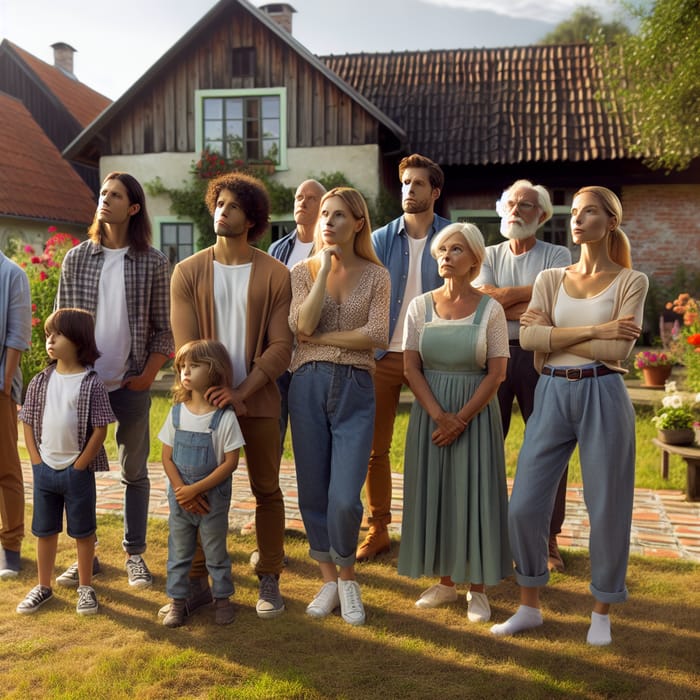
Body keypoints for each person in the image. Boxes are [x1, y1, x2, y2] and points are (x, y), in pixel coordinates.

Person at [490, 186, 648, 645]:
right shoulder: (551, 279)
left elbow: (618, 349)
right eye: (574, 212)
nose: (577, 219)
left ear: (610, 221)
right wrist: (595, 328)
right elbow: (531, 339)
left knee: (608, 506)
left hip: (604, 391)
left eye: (590, 212)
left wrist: (557, 334)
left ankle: (601, 609)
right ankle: (529, 604)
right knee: (524, 507)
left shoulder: (630, 281)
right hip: (553, 391)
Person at [170, 171, 292, 620]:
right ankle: (198, 582)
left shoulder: (276, 274)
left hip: (257, 401)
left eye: (234, 206)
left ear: (253, 217)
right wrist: (211, 396)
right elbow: (186, 349)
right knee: (197, 491)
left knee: (267, 489)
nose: (223, 211)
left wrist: (241, 391)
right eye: (219, 203)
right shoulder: (187, 272)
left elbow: (281, 346)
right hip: (200, 406)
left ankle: (270, 577)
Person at [56, 172, 173, 589]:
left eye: (116, 195)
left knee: (134, 471)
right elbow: (61, 327)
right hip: (83, 386)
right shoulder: (76, 258)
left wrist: (146, 375)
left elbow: (165, 329)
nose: (105, 199)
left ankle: (134, 553)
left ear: (134, 207)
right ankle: (88, 555)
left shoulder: (154, 262)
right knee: (78, 471)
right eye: (103, 193)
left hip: (130, 386)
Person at [398, 223, 512, 621]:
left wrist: (460, 420)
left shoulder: (491, 309)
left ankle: (477, 589)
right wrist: (439, 416)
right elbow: (411, 368)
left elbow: (496, 374)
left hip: (476, 417)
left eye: (456, 250)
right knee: (438, 493)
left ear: (475, 260)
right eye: (442, 249)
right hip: (430, 414)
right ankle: (446, 583)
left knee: (475, 493)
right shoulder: (419, 306)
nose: (446, 255)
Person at [288, 187, 390, 625]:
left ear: (359, 223)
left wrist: (324, 341)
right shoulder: (302, 271)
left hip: (355, 387)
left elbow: (378, 335)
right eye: (324, 214)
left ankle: (348, 579)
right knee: (313, 490)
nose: (327, 222)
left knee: (345, 497)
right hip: (306, 385)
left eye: (339, 215)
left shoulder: (377, 275)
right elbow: (301, 325)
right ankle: (330, 579)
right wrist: (324, 265)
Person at [473, 180, 572, 572]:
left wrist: (503, 298)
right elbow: (482, 303)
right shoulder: (489, 253)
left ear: (542, 216)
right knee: (484, 444)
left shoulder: (559, 253)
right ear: (501, 210)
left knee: (549, 447)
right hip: (493, 355)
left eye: (527, 205)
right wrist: (529, 296)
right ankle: (486, 530)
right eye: (511, 203)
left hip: (540, 356)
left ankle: (547, 538)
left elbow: (554, 306)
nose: (517, 210)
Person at [357, 153, 450, 562]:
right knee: (374, 449)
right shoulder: (379, 239)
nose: (409, 191)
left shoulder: (453, 237)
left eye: (418, 184)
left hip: (432, 359)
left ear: (435, 191)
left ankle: (436, 528)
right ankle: (378, 528)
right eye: (405, 183)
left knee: (438, 445)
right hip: (381, 357)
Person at [17, 309, 115, 615]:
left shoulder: (91, 383)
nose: (50, 339)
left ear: (78, 340)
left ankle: (86, 588)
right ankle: (43, 586)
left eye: (58, 334)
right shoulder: (40, 381)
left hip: (77, 472)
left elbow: (101, 427)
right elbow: (28, 421)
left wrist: (80, 464)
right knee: (44, 531)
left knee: (83, 533)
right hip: (44, 470)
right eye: (48, 334)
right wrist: (35, 459)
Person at [158, 340, 245, 628]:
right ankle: (177, 602)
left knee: (215, 552)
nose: (186, 371)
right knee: (179, 552)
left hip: (212, 500)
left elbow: (230, 463)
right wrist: (182, 491)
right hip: (181, 500)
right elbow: (166, 458)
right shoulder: (176, 414)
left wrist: (195, 490)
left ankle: (222, 599)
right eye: (182, 366)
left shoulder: (225, 418)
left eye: (194, 366)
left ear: (214, 370)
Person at [268, 179, 326, 447]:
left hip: (312, 355)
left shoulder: (328, 250)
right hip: (279, 355)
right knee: (272, 432)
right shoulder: (278, 248)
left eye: (311, 198)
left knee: (310, 438)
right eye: (299, 197)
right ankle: (269, 490)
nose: (303, 202)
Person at [0, 251, 32, 579]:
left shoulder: (12, 274)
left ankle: (10, 546)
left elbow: (18, 336)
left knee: (5, 467)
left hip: (0, 388)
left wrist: (5, 383)